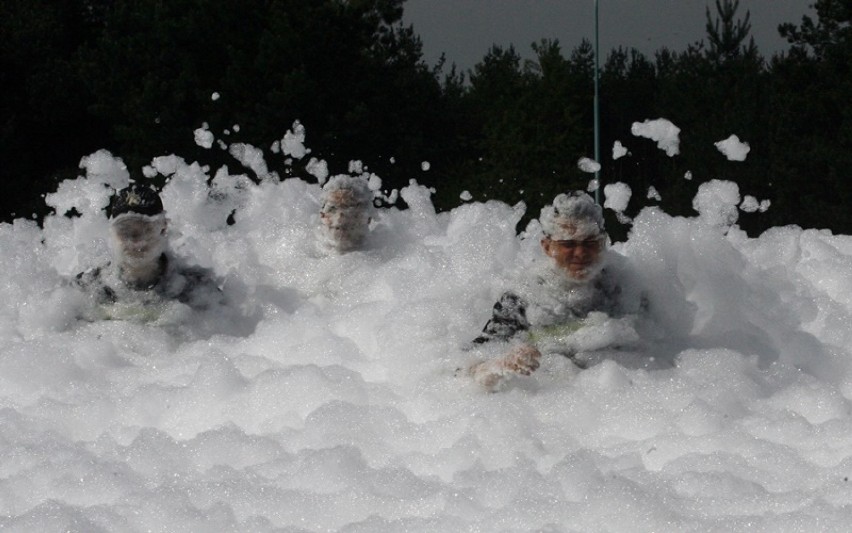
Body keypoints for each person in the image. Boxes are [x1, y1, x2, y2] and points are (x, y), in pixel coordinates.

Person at [463, 191, 640, 391]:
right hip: (553, 399)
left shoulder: (622, 288)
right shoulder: (524, 296)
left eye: (590, 243)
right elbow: (465, 369)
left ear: (603, 242)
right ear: (547, 247)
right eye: (568, 244)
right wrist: (500, 365)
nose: (580, 253)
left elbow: (658, 347)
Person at [73, 184, 224, 320]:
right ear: (112, 233)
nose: (135, 242)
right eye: (124, 231)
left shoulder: (196, 290)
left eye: (146, 230)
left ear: (163, 228)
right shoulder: (88, 289)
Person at [317, 175, 374, 253]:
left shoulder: (387, 254)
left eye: (351, 208)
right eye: (333, 209)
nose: (340, 219)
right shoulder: (301, 250)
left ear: (367, 219)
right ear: (322, 216)